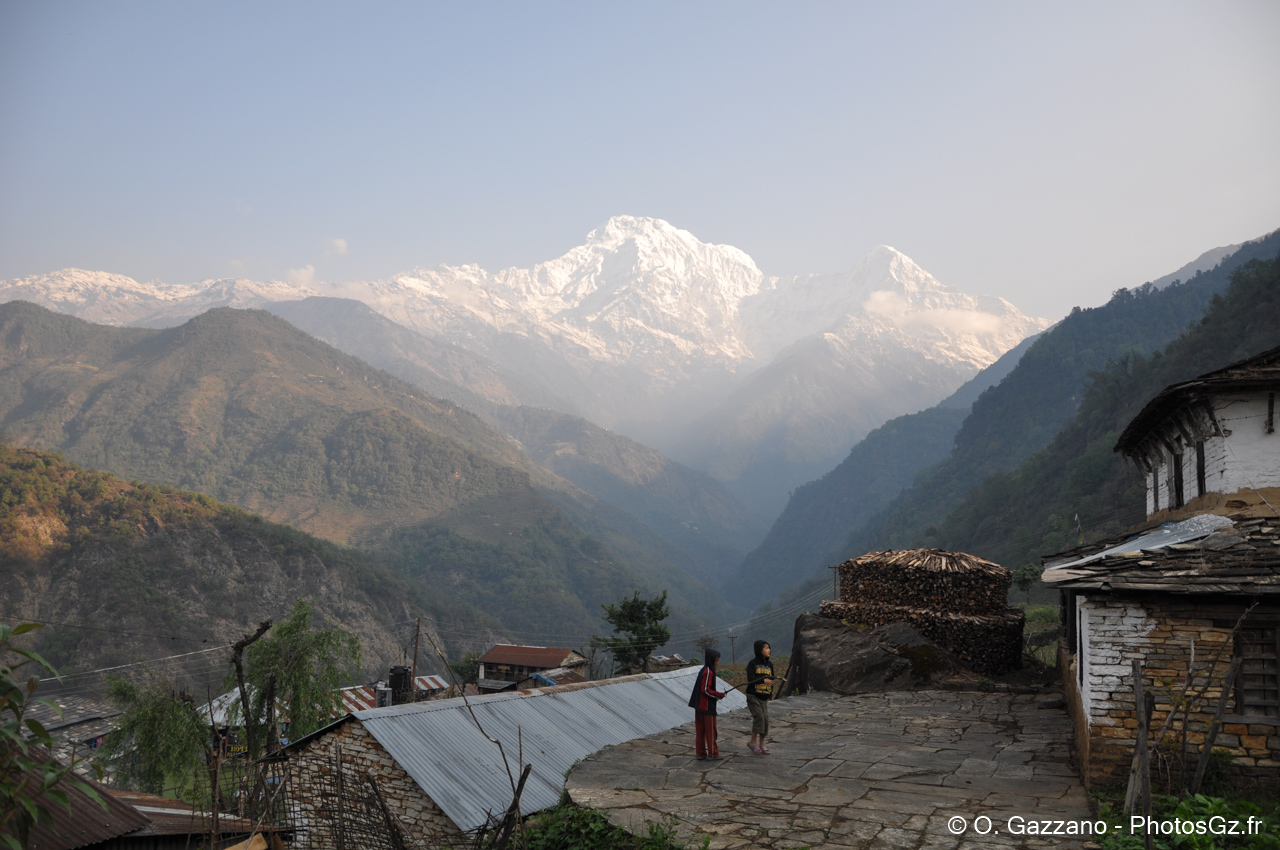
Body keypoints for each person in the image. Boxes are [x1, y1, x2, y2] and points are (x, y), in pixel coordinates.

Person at [687, 648, 726, 759]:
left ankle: (700, 753)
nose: (717, 663)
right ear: (711, 660)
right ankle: (713, 754)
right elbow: (706, 689)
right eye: (716, 660)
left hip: (698, 706)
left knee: (700, 731)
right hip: (707, 707)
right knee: (711, 731)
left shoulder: (703, 670)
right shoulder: (709, 671)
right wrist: (718, 695)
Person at [744, 640, 774, 754]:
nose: (769, 650)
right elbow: (750, 679)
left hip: (764, 697)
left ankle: (762, 744)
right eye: (766, 648)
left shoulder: (770, 665)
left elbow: (772, 678)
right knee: (759, 717)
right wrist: (763, 680)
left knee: (765, 719)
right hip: (753, 696)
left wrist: (770, 691)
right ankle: (752, 742)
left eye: (769, 648)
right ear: (759, 650)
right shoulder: (752, 664)